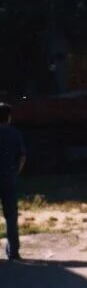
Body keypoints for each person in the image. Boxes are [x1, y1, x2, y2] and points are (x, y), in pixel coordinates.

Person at [0, 102, 26, 261]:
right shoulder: (15, 133)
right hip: (8, 178)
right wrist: (15, 172)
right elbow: (22, 157)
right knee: (11, 216)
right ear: (9, 117)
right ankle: (13, 251)